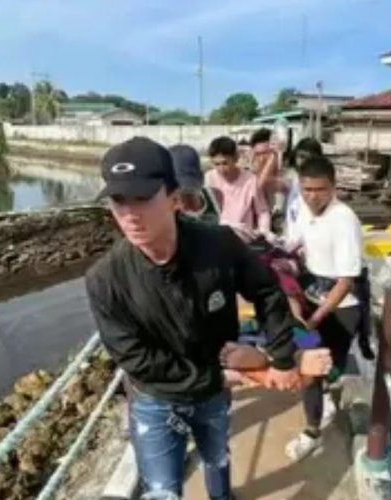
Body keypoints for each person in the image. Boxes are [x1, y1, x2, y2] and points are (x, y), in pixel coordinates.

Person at [85, 137, 302, 500]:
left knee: (217, 459)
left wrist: (281, 357)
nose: (130, 214)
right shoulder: (106, 280)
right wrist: (216, 376)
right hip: (156, 398)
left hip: (213, 393)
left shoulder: (219, 245)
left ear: (174, 198)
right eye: (119, 201)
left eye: (142, 198)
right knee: (162, 491)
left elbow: (266, 291)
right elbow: (135, 358)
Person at [284, 155, 364, 461]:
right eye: (307, 189)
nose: (313, 196)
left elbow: (346, 282)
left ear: (333, 187)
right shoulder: (302, 209)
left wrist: (315, 319)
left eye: (320, 190)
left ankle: (327, 393)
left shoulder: (344, 220)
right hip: (311, 298)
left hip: (341, 308)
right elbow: (292, 245)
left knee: (332, 366)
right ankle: (313, 431)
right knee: (310, 366)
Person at [205, 136, 270, 240]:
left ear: (235, 158)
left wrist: (263, 232)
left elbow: (262, 211)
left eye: (225, 163)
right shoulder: (210, 178)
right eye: (217, 164)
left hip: (242, 237)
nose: (221, 169)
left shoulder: (250, 180)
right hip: (217, 236)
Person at [168, 144, 222, 225]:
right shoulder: (164, 208)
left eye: (190, 191)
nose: (186, 193)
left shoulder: (215, 196)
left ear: (201, 177)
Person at [284, 137, 323, 240]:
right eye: (301, 156)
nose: (304, 161)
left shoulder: (321, 183)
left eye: (310, 158)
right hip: (292, 237)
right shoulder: (292, 178)